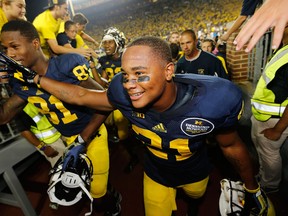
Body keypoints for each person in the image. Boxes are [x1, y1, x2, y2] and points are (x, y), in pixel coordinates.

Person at [26, 36, 269, 216]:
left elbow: (231, 146)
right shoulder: (120, 93)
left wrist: (252, 187)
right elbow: (79, 95)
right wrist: (36, 78)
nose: (130, 83)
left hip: (194, 170)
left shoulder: (212, 101)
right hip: (156, 172)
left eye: (140, 73)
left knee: (195, 198)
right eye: (125, 74)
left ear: (168, 71)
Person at [0, 20, 121, 216]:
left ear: (35, 44)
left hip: (93, 133)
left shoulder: (67, 63)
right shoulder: (21, 82)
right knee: (81, 187)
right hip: (69, 141)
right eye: (5, 48)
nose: (9, 54)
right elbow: (4, 116)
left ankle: (113, 205)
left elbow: (106, 102)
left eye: (14, 46)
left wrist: (83, 139)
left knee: (96, 194)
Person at [250, 26, 288, 194]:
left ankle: (271, 186)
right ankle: (264, 177)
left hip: (274, 120)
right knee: (263, 152)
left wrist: (278, 129)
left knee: (269, 154)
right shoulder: (283, 49)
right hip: (263, 116)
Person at [97, 27, 139, 172]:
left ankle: (135, 155)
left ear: (118, 43)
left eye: (110, 42)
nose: (106, 46)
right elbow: (101, 84)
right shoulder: (104, 61)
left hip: (129, 98)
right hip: (114, 98)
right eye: (105, 43)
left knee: (124, 129)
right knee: (108, 123)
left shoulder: (127, 58)